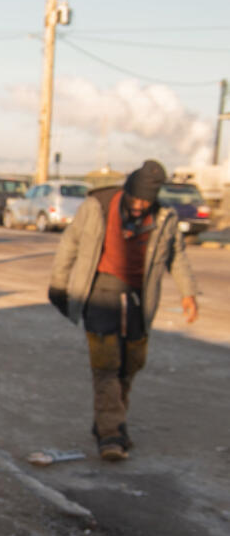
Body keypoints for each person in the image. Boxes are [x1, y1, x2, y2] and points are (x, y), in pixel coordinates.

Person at [48, 159, 199, 461]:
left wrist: (188, 293)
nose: (141, 205)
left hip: (138, 298)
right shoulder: (97, 207)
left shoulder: (164, 217)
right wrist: (59, 284)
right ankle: (111, 435)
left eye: (148, 200)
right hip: (100, 291)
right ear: (128, 190)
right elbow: (70, 244)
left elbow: (177, 256)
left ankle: (110, 422)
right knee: (106, 366)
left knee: (130, 365)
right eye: (137, 198)